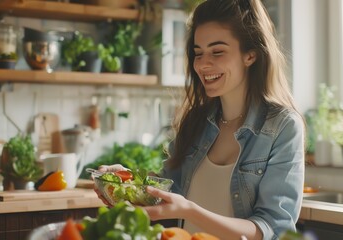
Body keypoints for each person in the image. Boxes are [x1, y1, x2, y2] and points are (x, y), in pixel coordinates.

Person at [96, 0, 305, 239]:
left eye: (217, 52)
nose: (204, 64)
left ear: (250, 55)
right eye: (198, 53)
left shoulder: (282, 126)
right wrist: (124, 181)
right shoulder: (196, 120)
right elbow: (169, 188)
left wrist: (189, 210)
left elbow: (273, 229)